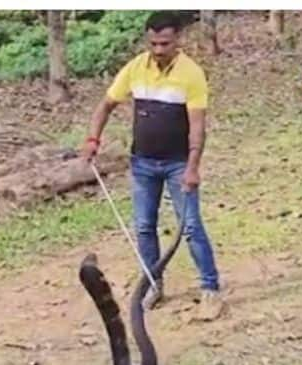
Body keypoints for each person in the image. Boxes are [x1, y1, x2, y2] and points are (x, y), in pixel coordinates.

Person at [81, 11, 224, 321]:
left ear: (178, 40)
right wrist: (93, 138)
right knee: (144, 227)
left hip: (178, 164)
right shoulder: (135, 68)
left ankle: (210, 288)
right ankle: (153, 284)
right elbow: (105, 105)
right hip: (143, 162)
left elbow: (198, 126)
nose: (159, 50)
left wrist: (193, 166)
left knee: (191, 228)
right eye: (154, 43)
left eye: (165, 43)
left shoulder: (191, 73)